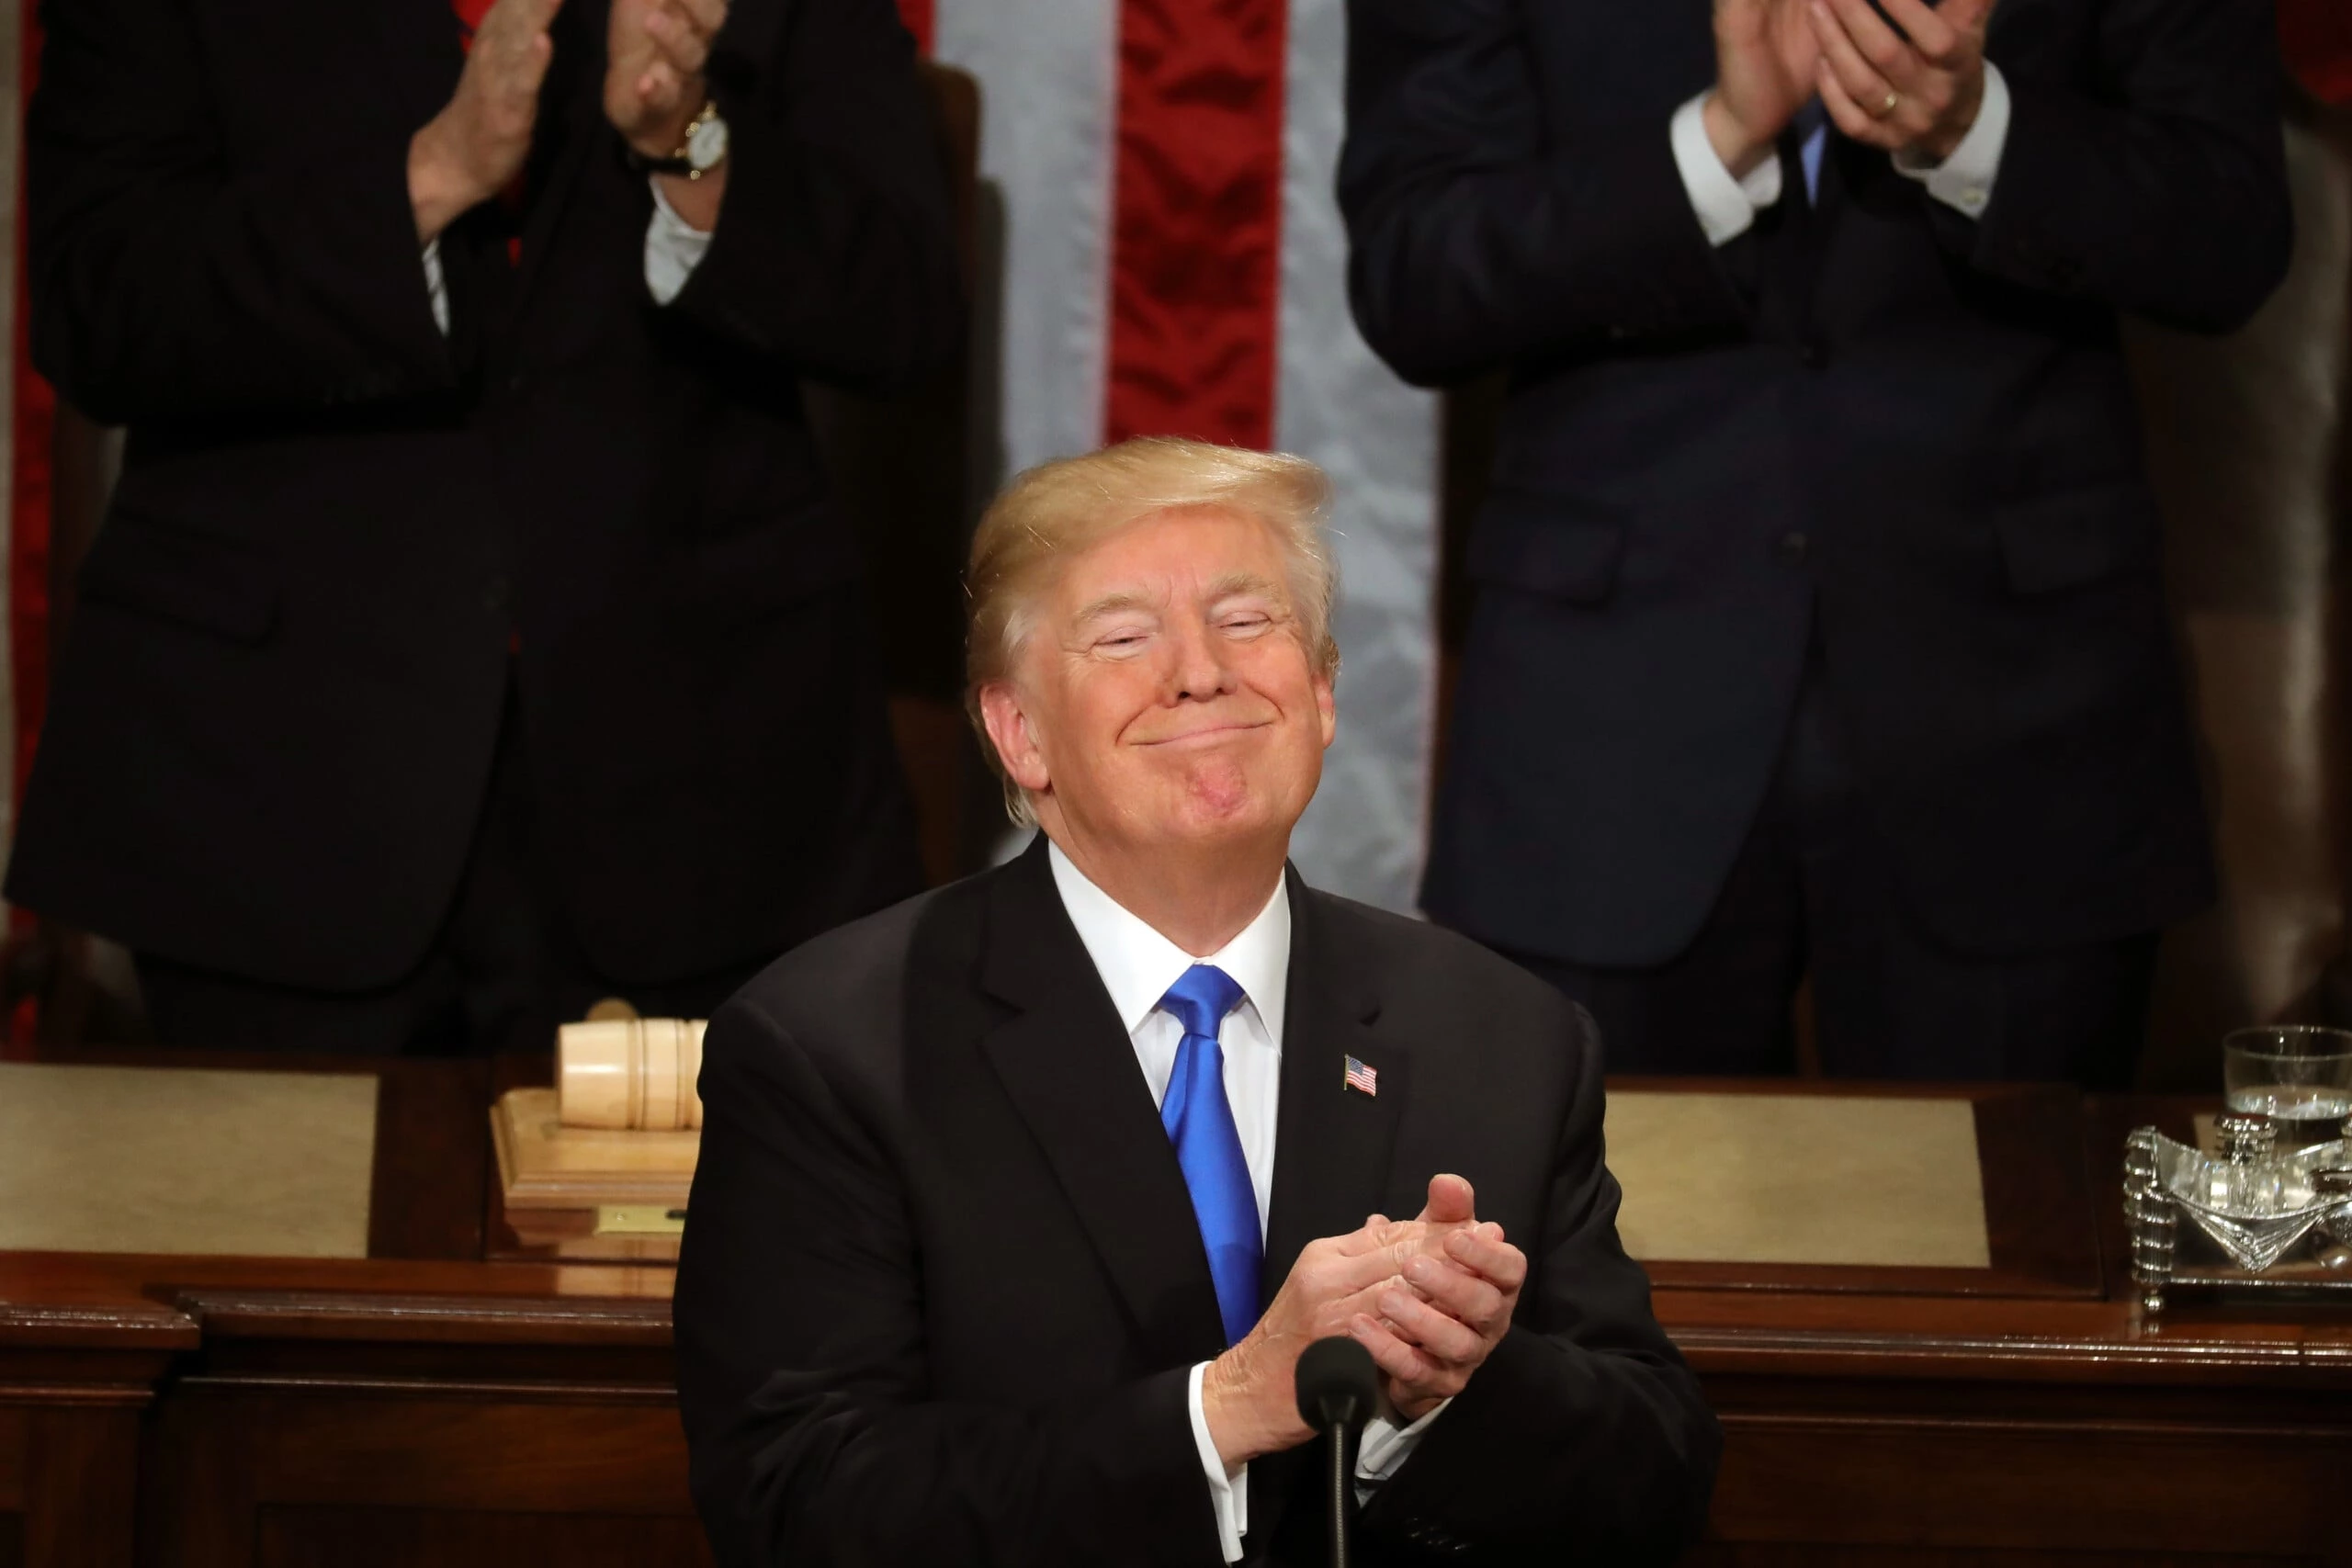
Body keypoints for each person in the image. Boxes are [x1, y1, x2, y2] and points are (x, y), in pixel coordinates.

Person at [673, 438, 1719, 1565]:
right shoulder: (832, 1045)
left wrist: (1449, 1385)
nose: (1201, 672)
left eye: (1247, 620)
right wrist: (1220, 1414)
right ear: (1019, 733)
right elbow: (796, 1500)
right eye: (1125, 637)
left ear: (1320, 695)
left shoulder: (1505, 1036)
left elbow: (1656, 1472)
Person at [1339, 0, 2294, 1083]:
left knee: (2019, 1241)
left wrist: (1974, 129)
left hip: (2021, 733)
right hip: (1603, 732)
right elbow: (1413, 273)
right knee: (1592, 1234)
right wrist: (1718, 140)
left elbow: (2232, 233)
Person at [9, 0, 960, 1052]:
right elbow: (95, 303)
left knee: (727, 1218)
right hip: (269, 791)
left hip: (706, 799)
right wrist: (434, 172)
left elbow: (905, 310)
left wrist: (688, 141)